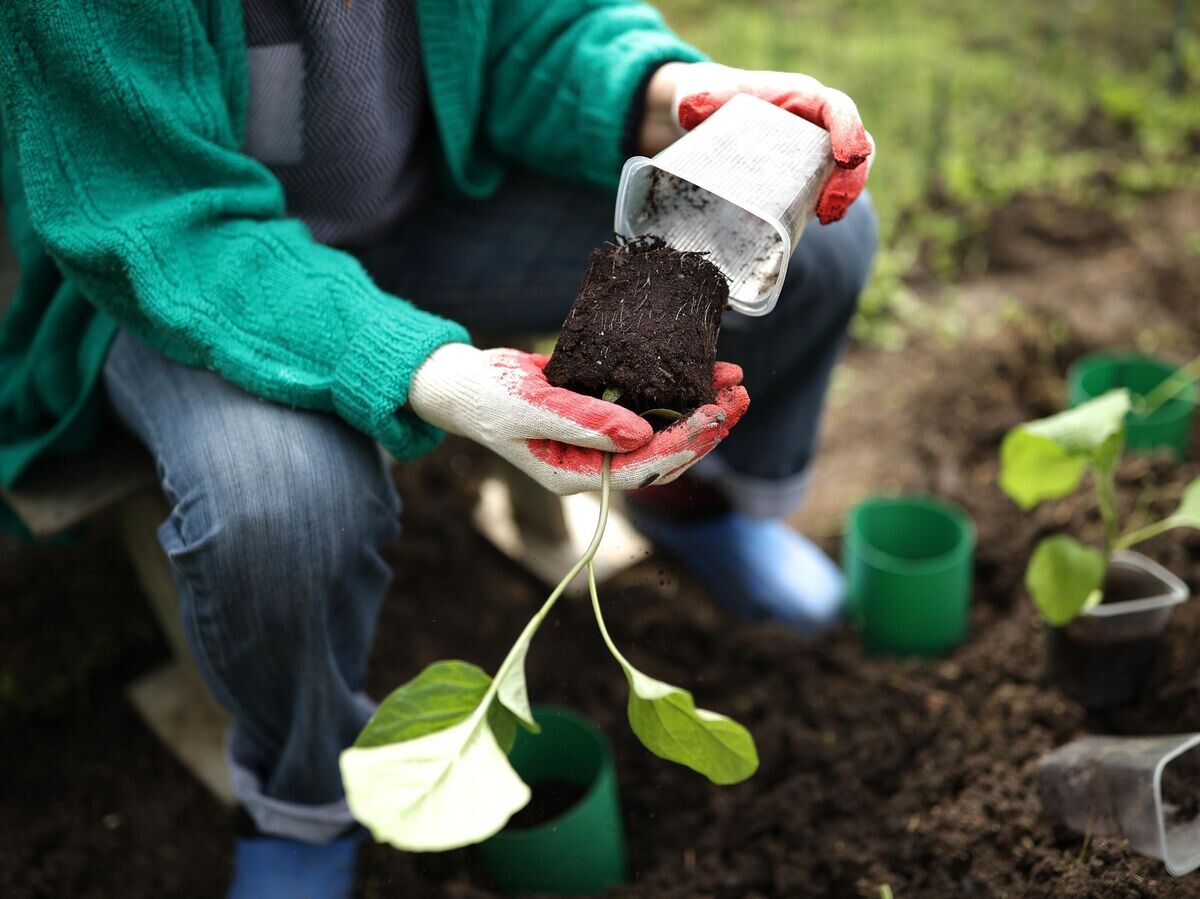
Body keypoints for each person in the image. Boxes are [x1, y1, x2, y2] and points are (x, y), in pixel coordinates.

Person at [0, 2, 876, 896]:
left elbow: (532, 30)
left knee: (811, 255)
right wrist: (431, 371)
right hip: (189, 271)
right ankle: (303, 796)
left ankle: (692, 505)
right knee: (280, 508)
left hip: (424, 208)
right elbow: (157, 217)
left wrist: (674, 96)